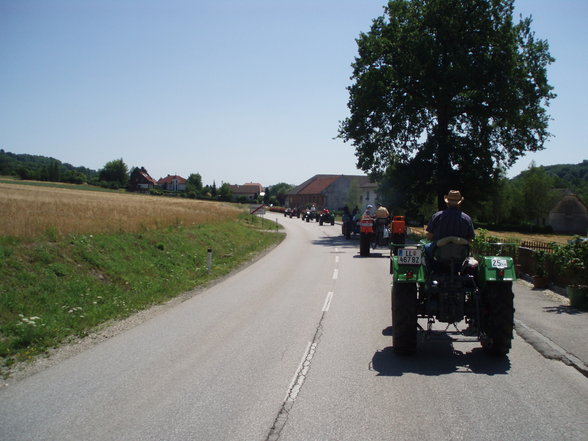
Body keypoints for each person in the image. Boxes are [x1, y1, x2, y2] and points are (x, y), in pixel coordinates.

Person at [424, 190, 475, 266]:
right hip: (460, 255)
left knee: (424, 248)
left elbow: (430, 236)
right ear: (459, 203)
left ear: (447, 202)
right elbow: (470, 239)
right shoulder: (467, 218)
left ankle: (429, 271)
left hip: (439, 253)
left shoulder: (437, 216)